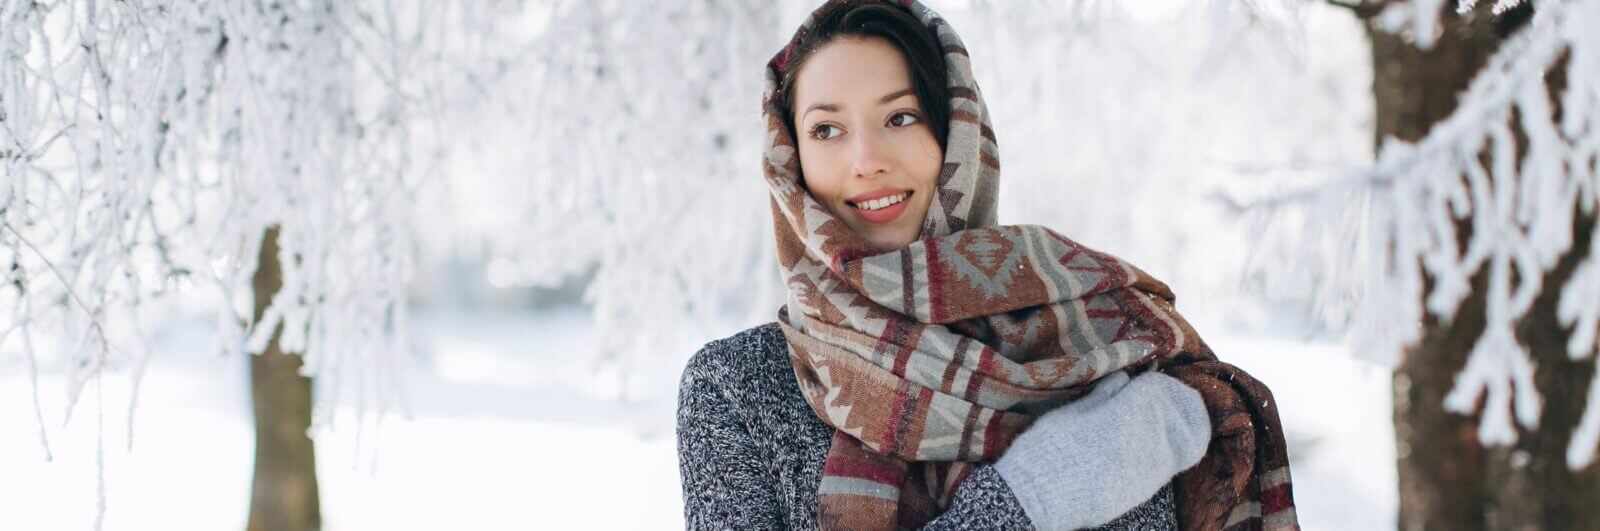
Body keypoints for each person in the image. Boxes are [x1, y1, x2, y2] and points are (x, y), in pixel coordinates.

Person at [677, 1, 1300, 529]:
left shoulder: (1105, 349)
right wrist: (1029, 497)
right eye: (826, 130)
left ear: (959, 135)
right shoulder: (735, 391)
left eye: (901, 117)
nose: (866, 160)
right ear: (789, 160)